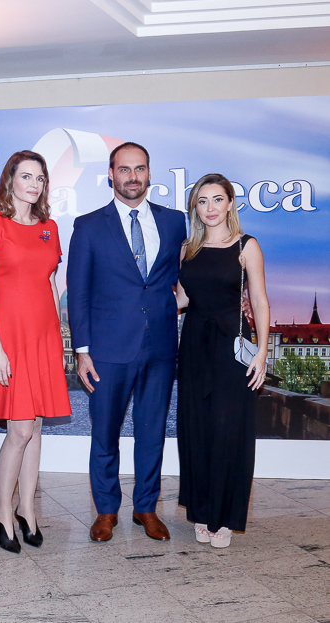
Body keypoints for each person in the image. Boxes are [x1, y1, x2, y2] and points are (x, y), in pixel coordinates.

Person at [67, 142, 187, 542]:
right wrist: (82, 350)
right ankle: (106, 511)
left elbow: (180, 279)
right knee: (105, 433)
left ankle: (146, 508)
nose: (132, 177)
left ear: (149, 173)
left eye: (139, 169)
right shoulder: (88, 225)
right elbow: (78, 292)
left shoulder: (175, 222)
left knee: (152, 433)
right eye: (124, 169)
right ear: (110, 174)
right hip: (107, 350)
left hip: (161, 348)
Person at [0, 151, 71, 553]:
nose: (34, 184)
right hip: (10, 338)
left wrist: (58, 339)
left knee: (37, 427)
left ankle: (27, 510)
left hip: (44, 336)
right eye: (26, 176)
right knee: (19, 430)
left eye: (40, 178)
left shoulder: (50, 228)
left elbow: (50, 284)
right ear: (10, 180)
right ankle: (2, 511)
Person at [175, 173, 269, 548]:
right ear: (195, 208)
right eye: (202, 201)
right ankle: (201, 511)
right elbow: (183, 299)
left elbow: (259, 300)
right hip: (194, 345)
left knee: (229, 431)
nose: (210, 208)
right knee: (196, 430)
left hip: (231, 348)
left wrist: (262, 352)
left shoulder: (246, 246)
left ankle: (224, 517)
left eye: (217, 199)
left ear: (230, 203)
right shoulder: (188, 249)